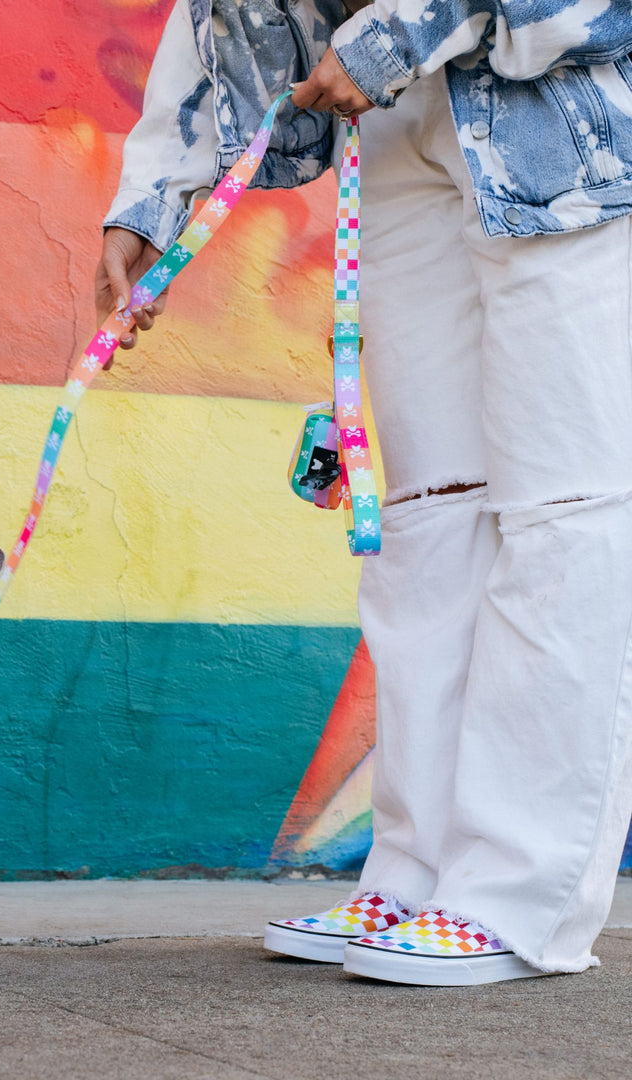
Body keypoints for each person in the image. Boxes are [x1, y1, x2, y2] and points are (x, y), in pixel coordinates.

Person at [95, 0, 632, 986]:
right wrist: (155, 201)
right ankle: (422, 874)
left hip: (559, 119)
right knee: (426, 519)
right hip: (390, 126)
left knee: (565, 513)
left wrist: (407, 27)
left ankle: (519, 897)